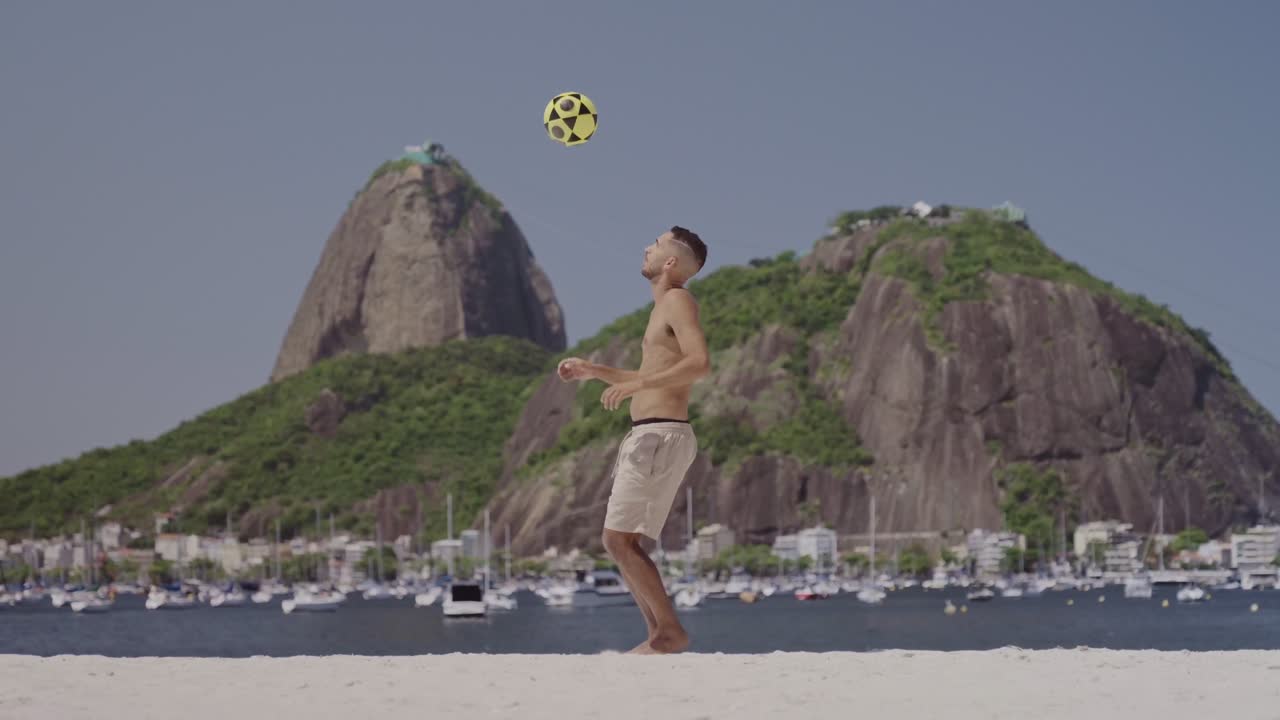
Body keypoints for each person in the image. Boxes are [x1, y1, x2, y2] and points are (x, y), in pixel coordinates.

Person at [558, 225, 711, 654]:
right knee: (621, 541)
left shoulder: (678, 301)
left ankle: (667, 632)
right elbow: (650, 377)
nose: (646, 246)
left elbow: (699, 364)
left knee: (618, 540)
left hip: (659, 434)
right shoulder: (662, 308)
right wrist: (595, 371)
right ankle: (658, 634)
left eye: (656, 243)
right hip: (652, 434)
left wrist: (632, 387)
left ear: (670, 262)